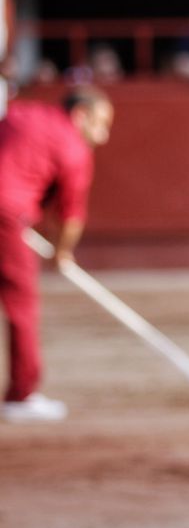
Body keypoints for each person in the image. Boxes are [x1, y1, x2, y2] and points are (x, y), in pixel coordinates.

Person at [0, 86, 114, 423]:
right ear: (80, 115)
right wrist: (62, 255)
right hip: (7, 217)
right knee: (22, 305)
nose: (103, 136)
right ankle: (22, 394)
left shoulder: (23, 112)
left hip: (10, 213)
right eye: (100, 123)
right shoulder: (73, 147)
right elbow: (71, 218)